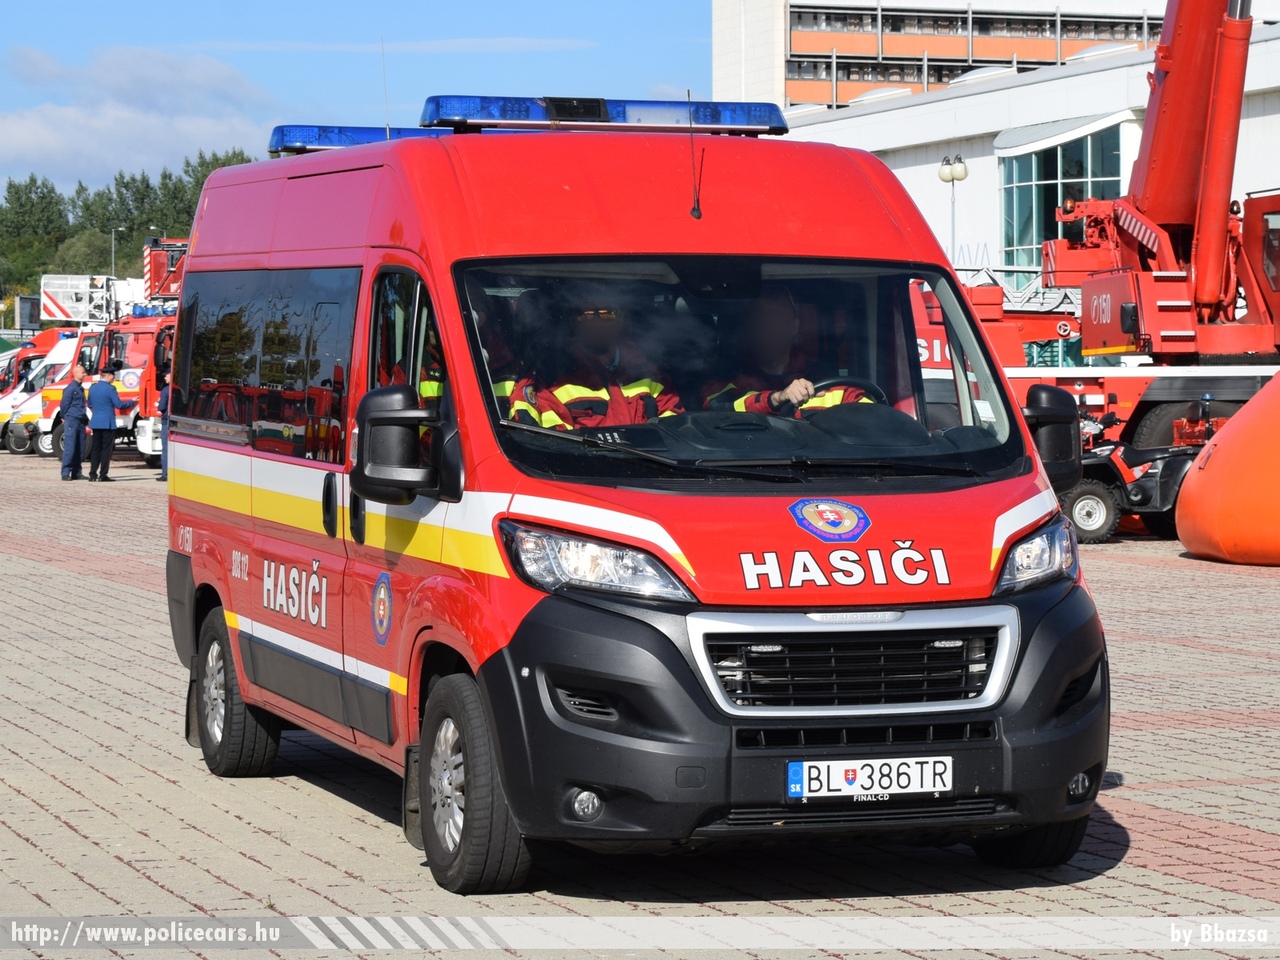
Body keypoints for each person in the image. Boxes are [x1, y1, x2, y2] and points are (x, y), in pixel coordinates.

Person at [509, 293, 683, 430]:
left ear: (621, 318)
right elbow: (554, 446)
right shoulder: (551, 379)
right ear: (573, 321)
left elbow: (675, 433)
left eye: (608, 314)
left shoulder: (652, 375)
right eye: (587, 316)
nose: (597, 322)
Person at [703, 287, 873, 416]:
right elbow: (716, 407)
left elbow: (869, 415)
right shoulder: (729, 375)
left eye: (777, 320)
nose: (769, 329)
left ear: (794, 326)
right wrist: (776, 398)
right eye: (760, 322)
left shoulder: (820, 375)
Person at [87, 367, 137, 482]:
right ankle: (103, 475)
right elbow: (119, 405)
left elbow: (89, 404)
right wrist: (132, 401)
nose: (114, 378)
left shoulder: (93, 388)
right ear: (108, 375)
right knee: (106, 450)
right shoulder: (111, 389)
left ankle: (92, 474)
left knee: (95, 449)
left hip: (96, 422)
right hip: (107, 423)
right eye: (113, 375)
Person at [58, 364, 88, 481]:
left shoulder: (80, 388)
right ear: (76, 373)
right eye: (83, 372)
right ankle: (65, 472)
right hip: (72, 420)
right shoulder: (70, 388)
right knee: (70, 447)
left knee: (80, 447)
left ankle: (77, 472)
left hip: (80, 420)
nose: (84, 374)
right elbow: (64, 404)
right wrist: (63, 416)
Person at [156, 370, 171, 481]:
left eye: (166, 375)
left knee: (166, 449)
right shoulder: (180, 390)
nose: (165, 377)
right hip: (179, 422)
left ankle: (165, 474)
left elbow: (161, 407)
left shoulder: (166, 390)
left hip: (167, 421)